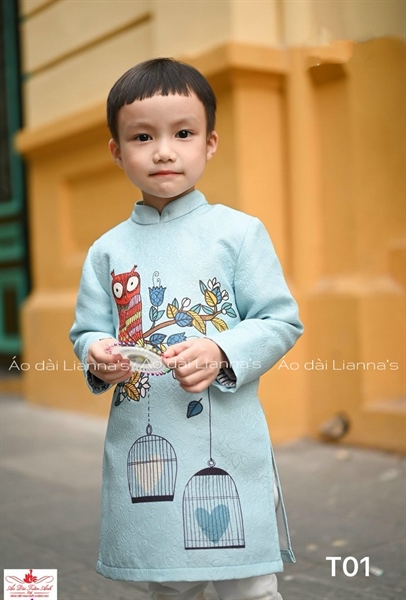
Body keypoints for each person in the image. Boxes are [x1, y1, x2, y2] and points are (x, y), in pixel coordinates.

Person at [70, 57, 303, 600]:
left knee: (249, 585)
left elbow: (279, 319)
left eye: (183, 133)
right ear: (116, 151)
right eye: (142, 137)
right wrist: (98, 354)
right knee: (169, 584)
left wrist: (221, 350)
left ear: (210, 143)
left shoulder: (238, 234)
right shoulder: (107, 250)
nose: (163, 151)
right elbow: (88, 330)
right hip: (145, 447)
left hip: (230, 440)